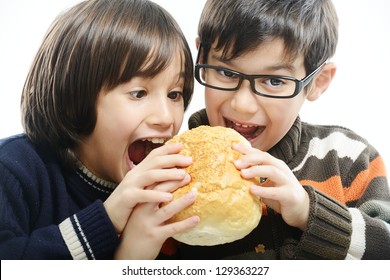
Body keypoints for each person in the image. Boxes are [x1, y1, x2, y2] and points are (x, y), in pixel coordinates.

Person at [162, 0, 390, 259]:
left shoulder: (348, 158)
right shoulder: (171, 166)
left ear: (317, 82)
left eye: (274, 81)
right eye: (226, 73)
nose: (243, 105)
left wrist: (308, 211)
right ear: (201, 57)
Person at [0, 0, 199, 260]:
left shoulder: (176, 195)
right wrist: (105, 222)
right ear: (75, 97)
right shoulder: (13, 170)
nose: (166, 117)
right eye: (139, 93)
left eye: (175, 94)